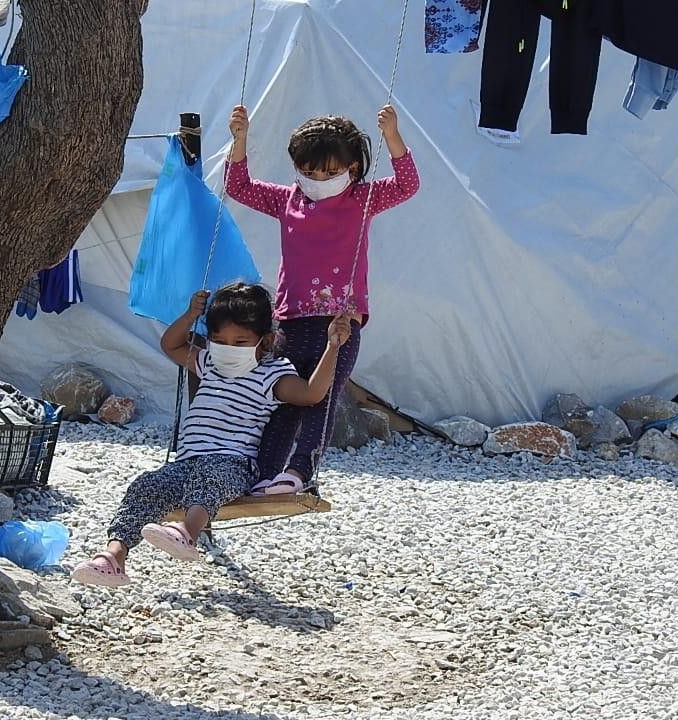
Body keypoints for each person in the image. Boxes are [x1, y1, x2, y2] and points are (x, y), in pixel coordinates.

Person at [71, 282, 351, 587]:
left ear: (265, 340)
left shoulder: (271, 373)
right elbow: (171, 345)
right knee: (146, 486)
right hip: (187, 461)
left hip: (233, 463)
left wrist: (332, 347)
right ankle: (113, 556)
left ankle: (188, 533)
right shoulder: (209, 363)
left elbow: (310, 394)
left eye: (240, 341)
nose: (229, 348)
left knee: (209, 478)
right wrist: (191, 315)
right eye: (220, 340)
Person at [225, 104, 420, 495]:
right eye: (309, 172)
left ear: (353, 169)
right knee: (283, 399)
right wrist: (240, 140)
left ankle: (300, 473)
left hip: (340, 323)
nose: (319, 180)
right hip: (292, 318)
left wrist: (393, 137)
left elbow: (407, 184)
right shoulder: (286, 200)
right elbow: (238, 187)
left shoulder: (362, 198)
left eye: (331, 172)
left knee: (322, 400)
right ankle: (263, 474)